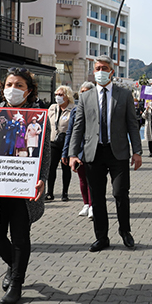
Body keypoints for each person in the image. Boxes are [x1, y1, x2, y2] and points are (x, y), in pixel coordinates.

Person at [0, 69, 50, 304]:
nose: (13, 88)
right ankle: (13, 264)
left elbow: (45, 152)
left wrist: (42, 178)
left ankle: (17, 284)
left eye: (19, 84)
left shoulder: (38, 116)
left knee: (20, 237)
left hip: (23, 187)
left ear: (28, 90)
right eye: (9, 84)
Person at [69, 55, 142, 251]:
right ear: (94, 71)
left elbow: (132, 125)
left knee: (120, 193)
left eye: (104, 68)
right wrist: (73, 154)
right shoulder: (85, 96)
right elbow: (78, 127)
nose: (100, 71)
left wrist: (137, 151)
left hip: (118, 152)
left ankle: (125, 231)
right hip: (93, 153)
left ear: (111, 71)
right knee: (97, 197)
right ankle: (101, 237)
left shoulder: (124, 95)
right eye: (97, 68)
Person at [63, 82, 95, 218]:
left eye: (86, 91)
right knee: (82, 178)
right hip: (79, 150)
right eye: (81, 91)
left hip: (93, 149)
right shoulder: (75, 111)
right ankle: (86, 204)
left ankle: (93, 205)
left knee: (93, 179)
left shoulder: (97, 109)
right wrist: (67, 152)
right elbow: (70, 133)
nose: (83, 94)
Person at [47, 86, 74, 201]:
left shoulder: (73, 109)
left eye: (61, 94)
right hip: (53, 141)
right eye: (56, 94)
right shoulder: (53, 108)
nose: (58, 97)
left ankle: (65, 193)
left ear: (67, 96)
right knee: (51, 168)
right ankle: (50, 192)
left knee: (65, 168)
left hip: (66, 142)